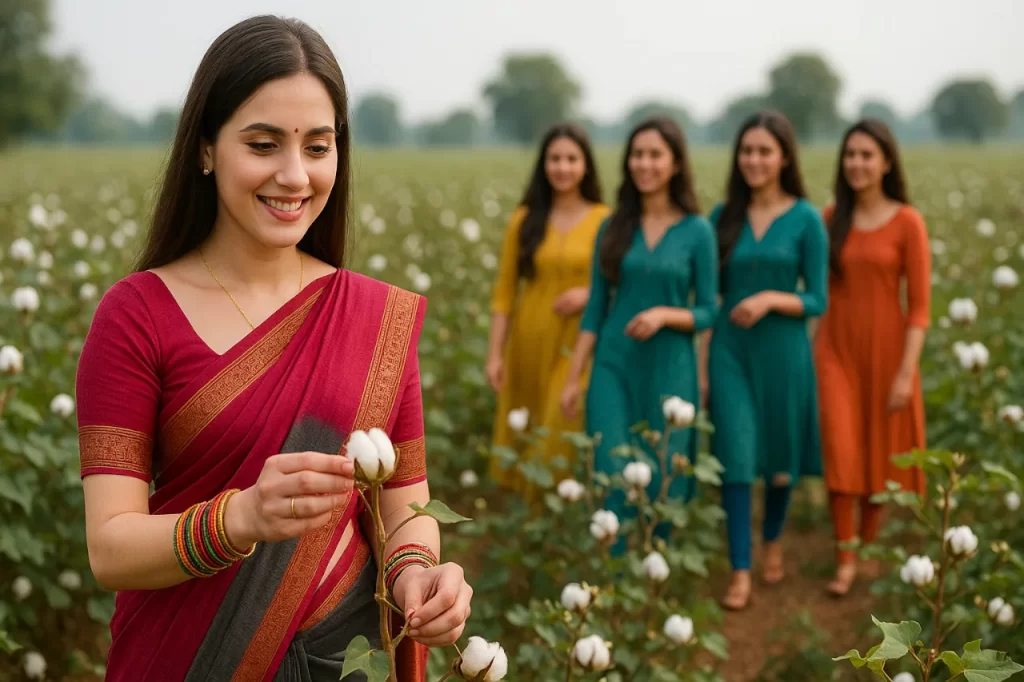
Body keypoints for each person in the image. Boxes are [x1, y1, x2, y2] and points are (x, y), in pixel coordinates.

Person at [74, 16, 471, 681]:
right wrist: (242, 517)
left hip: (343, 658)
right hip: (187, 658)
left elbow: (405, 505)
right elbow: (111, 547)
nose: (294, 175)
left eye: (318, 147)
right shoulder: (137, 316)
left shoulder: (374, 317)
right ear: (205, 149)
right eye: (263, 144)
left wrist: (417, 580)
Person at [561, 116, 718, 553]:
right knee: (615, 468)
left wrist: (667, 314)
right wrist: (575, 377)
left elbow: (708, 311)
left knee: (663, 475)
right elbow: (595, 309)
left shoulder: (697, 231)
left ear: (675, 163)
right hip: (613, 364)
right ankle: (610, 582)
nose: (644, 163)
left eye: (655, 154)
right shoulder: (613, 227)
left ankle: (653, 573)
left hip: (671, 371)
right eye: (638, 154)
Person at [704, 110, 828, 610]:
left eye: (764, 151)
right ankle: (741, 571)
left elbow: (817, 298)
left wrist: (772, 300)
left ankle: (772, 541)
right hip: (730, 351)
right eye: (747, 151)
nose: (754, 160)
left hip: (785, 353)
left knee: (779, 460)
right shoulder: (721, 218)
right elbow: (711, 296)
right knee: (735, 458)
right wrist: (701, 363)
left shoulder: (807, 219)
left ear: (784, 157)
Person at [815, 119, 930, 597]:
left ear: (886, 161)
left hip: (887, 353)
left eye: (867, 155)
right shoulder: (828, 219)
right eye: (850, 155)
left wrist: (906, 373)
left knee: (879, 453)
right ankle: (845, 557)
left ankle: (867, 546)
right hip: (834, 351)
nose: (857, 164)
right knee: (841, 451)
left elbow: (920, 308)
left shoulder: (908, 222)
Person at [487, 123, 609, 497]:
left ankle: (568, 517)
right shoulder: (524, 220)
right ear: (544, 165)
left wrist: (589, 294)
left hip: (579, 341)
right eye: (555, 159)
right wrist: (495, 354)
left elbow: (617, 284)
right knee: (531, 428)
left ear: (586, 165)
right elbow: (505, 293)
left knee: (563, 423)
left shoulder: (606, 219)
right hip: (529, 340)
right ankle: (536, 525)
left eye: (572, 159)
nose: (563, 167)